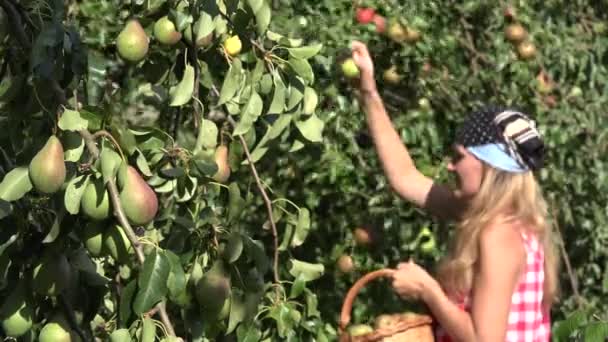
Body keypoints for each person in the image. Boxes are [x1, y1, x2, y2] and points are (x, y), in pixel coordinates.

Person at [349, 41, 560, 342]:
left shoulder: (497, 236)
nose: (450, 167)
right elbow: (405, 177)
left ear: (489, 165)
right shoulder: (497, 219)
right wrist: (368, 91)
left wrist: (428, 291)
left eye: (459, 157)